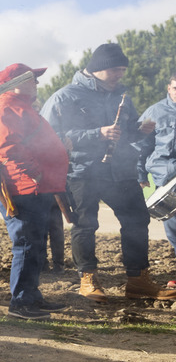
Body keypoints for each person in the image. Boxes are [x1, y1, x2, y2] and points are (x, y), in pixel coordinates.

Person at [41, 43, 176, 300]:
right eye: (115, 70)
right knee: (85, 225)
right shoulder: (65, 96)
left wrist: (139, 129)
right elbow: (50, 136)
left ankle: (138, 280)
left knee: (137, 222)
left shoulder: (121, 96)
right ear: (97, 69)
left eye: (122, 70)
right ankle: (88, 280)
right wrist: (97, 133)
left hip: (121, 171)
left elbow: (126, 131)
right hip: (83, 171)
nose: (120, 75)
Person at [0, 64, 71, 319]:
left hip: (34, 186)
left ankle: (31, 296)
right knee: (26, 244)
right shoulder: (5, 106)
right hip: (23, 187)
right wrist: (36, 172)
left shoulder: (19, 106)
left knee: (34, 245)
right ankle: (20, 304)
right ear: (15, 82)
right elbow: (8, 147)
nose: (37, 83)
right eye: (32, 79)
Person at [139, 74, 176, 258]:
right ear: (169, 88)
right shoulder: (153, 112)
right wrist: (140, 175)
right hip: (166, 179)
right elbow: (140, 146)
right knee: (173, 228)